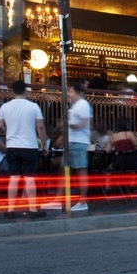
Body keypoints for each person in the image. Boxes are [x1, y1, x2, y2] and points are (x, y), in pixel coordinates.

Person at [0, 80, 48, 219]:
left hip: (12, 146)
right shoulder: (33, 106)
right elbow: (40, 127)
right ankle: (32, 210)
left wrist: (7, 129)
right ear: (26, 91)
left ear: (13, 91)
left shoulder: (5, 107)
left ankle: (11, 209)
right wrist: (44, 145)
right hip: (29, 146)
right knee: (29, 179)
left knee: (13, 178)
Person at [44, 83, 93, 212]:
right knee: (63, 171)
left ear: (74, 91)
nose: (68, 94)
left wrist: (68, 124)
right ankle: (58, 199)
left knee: (80, 171)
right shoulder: (75, 106)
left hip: (78, 142)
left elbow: (84, 122)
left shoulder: (82, 105)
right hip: (72, 142)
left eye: (69, 91)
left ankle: (83, 201)